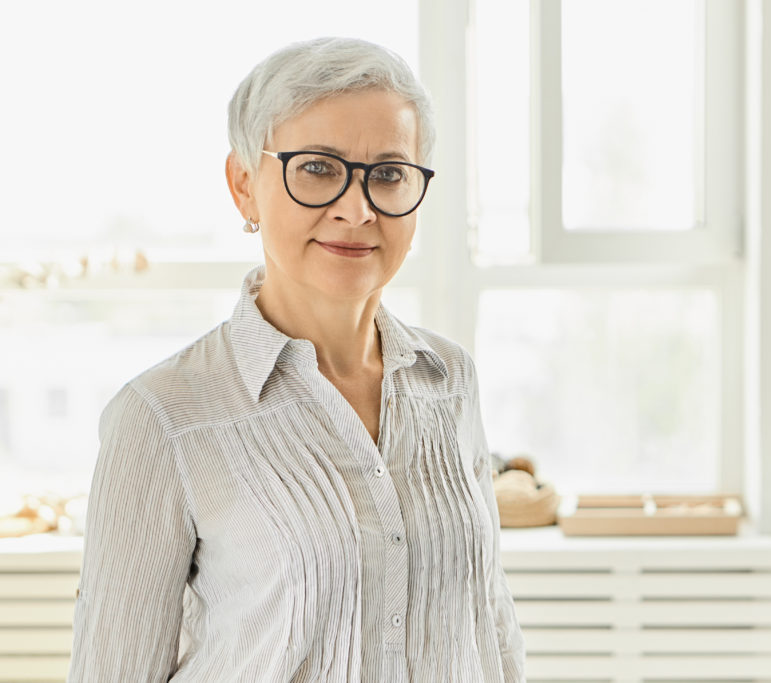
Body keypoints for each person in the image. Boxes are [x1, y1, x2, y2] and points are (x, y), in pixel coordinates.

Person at [68, 37, 525, 682]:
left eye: (390, 173)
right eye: (316, 168)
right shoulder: (160, 419)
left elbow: (491, 628)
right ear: (243, 186)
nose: (356, 208)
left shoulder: (449, 380)